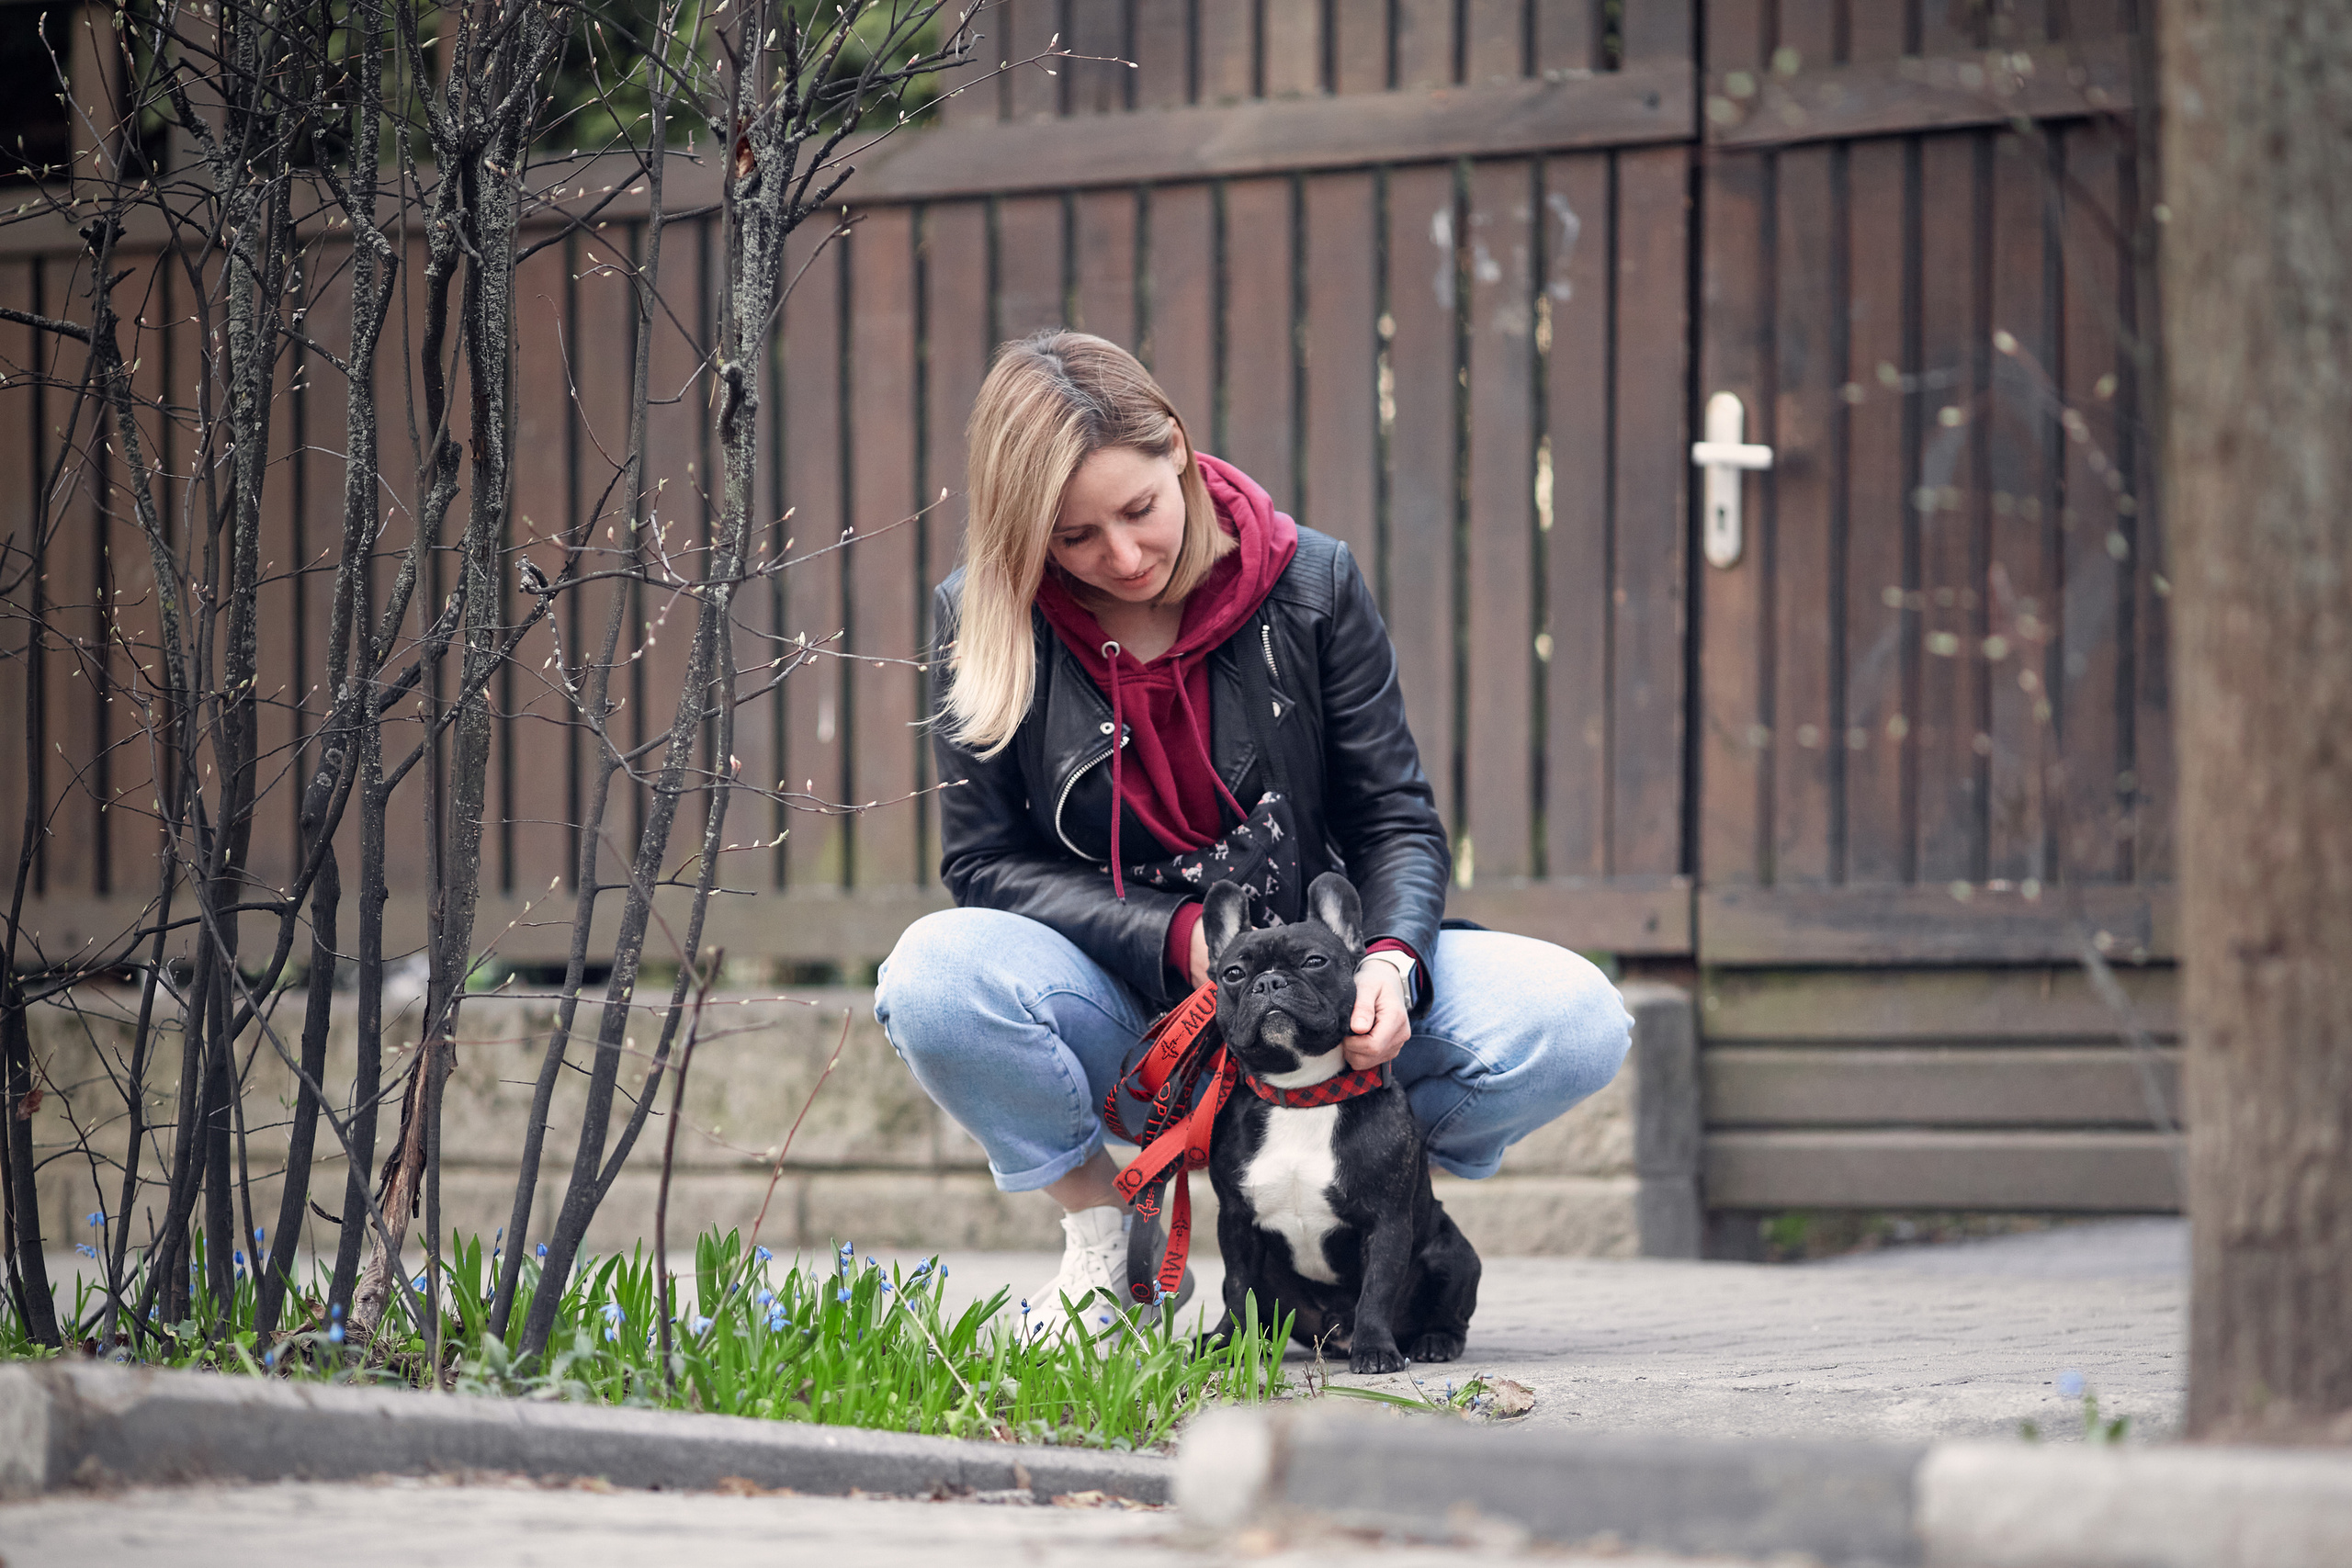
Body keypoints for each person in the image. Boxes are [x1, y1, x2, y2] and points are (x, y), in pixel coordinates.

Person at [874, 331, 1633, 1322]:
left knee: (1574, 1020)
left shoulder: (1311, 584)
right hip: (1127, 1007)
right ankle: (1114, 1254)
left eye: (1140, 509)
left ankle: (1351, 1198)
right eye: (1074, 538)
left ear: (1177, 451)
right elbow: (982, 864)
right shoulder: (983, 618)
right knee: (933, 978)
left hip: (1323, 1010)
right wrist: (1174, 936)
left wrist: (1390, 964)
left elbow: (1394, 818)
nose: (1126, 555)